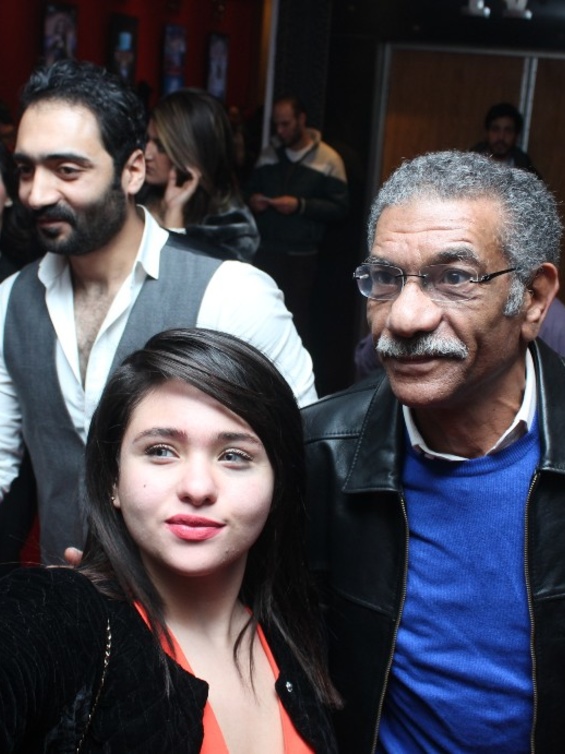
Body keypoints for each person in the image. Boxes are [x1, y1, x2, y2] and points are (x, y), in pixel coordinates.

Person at [0, 59, 316, 566]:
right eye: (25, 170)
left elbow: (302, 459)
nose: (36, 194)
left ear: (132, 171)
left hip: (199, 600)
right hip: (70, 599)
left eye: (66, 170)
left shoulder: (231, 293)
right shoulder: (11, 302)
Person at [303, 150, 565, 752]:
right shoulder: (318, 451)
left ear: (533, 298)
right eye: (386, 278)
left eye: (454, 278)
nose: (405, 317)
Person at [0, 328, 338, 753]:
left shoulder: (299, 637)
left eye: (234, 456)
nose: (197, 488)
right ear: (113, 480)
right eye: (161, 450)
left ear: (277, 487)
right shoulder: (56, 614)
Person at [247, 95, 348, 346]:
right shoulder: (269, 154)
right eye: (276, 125)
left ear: (301, 120)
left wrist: (300, 205)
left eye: (286, 124)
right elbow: (247, 192)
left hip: (302, 256)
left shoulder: (328, 158)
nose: (280, 131)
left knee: (296, 320)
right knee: (259, 317)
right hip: (266, 250)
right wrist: (253, 201)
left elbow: (340, 208)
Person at [142, 88, 259, 261]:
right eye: (147, 140)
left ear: (191, 152)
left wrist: (174, 220)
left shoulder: (230, 225)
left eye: (161, 146)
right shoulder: (138, 196)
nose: (146, 154)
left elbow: (178, 274)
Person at [471, 101, 540, 175]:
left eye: (508, 131)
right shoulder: (469, 165)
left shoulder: (527, 172)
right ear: (487, 133)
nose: (501, 137)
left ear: (516, 135)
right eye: (495, 129)